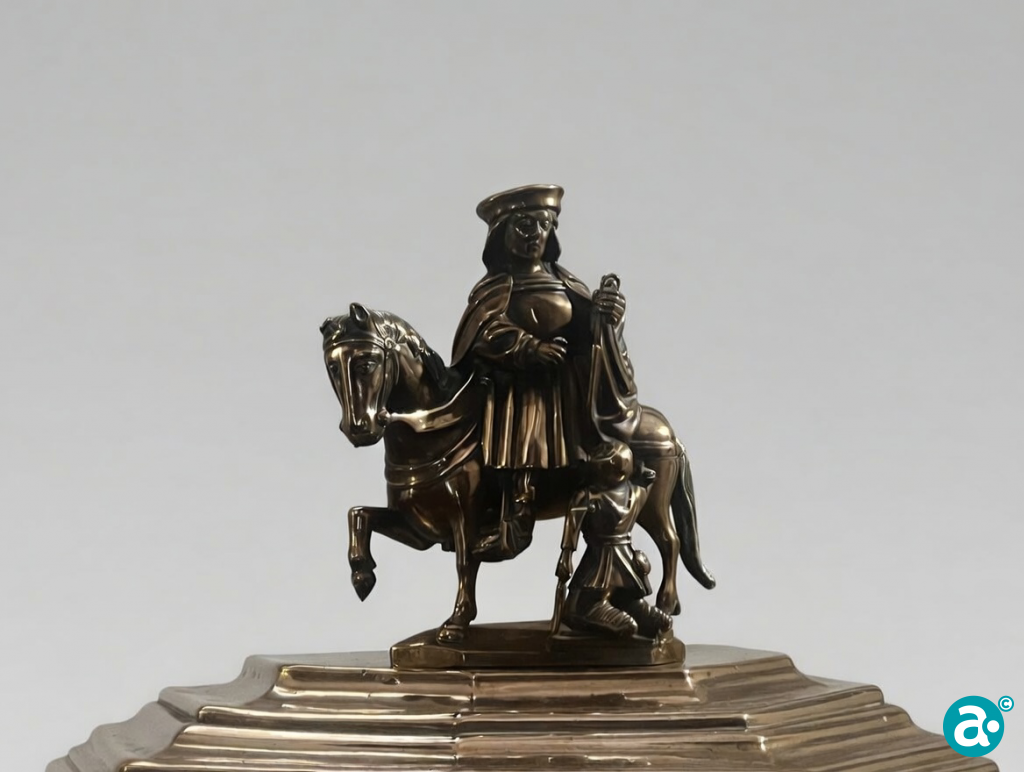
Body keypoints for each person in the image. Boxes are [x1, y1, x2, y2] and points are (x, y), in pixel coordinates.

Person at [450, 185, 628, 560]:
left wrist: (607, 317)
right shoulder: (494, 289)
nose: (535, 234)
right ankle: (516, 515)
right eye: (524, 225)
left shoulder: (566, 282)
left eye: (544, 225)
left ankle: (603, 503)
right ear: (501, 234)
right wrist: (528, 348)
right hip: (518, 395)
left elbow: (591, 337)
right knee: (524, 444)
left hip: (567, 391)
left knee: (602, 441)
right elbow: (483, 333)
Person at [558, 441, 672, 638]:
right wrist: (566, 556)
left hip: (612, 555)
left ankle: (625, 611)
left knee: (609, 597)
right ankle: (609, 610)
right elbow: (572, 528)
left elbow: (572, 528)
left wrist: (566, 555)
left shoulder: (601, 495)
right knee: (610, 594)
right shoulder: (628, 494)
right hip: (613, 555)